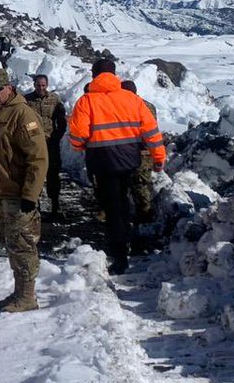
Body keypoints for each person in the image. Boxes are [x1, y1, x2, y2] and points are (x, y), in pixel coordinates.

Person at [69, 61, 165, 274]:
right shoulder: (131, 99)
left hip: (102, 163)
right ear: (114, 74)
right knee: (122, 201)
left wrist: (81, 146)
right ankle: (127, 238)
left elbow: (77, 136)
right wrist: (159, 158)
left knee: (112, 208)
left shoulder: (86, 101)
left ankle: (120, 255)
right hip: (129, 160)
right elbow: (151, 132)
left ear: (94, 75)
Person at [0, 68, 49, 312]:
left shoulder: (22, 115)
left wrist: (30, 194)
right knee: (11, 245)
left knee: (23, 245)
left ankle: (27, 297)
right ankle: (19, 292)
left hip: (17, 196)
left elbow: (38, 158)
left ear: (9, 88)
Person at [24, 74, 67, 221]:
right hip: (34, 143)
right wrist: (34, 136)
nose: (41, 88)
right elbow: (25, 120)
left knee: (53, 174)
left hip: (51, 143)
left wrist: (57, 136)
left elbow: (61, 120)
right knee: (35, 173)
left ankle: (55, 205)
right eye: (38, 85)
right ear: (34, 85)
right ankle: (35, 203)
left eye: (43, 85)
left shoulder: (54, 99)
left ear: (47, 85)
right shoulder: (27, 100)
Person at [121, 79, 158, 224]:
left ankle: (145, 216)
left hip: (141, 152)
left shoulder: (143, 107)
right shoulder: (127, 106)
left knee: (140, 184)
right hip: (131, 151)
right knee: (135, 184)